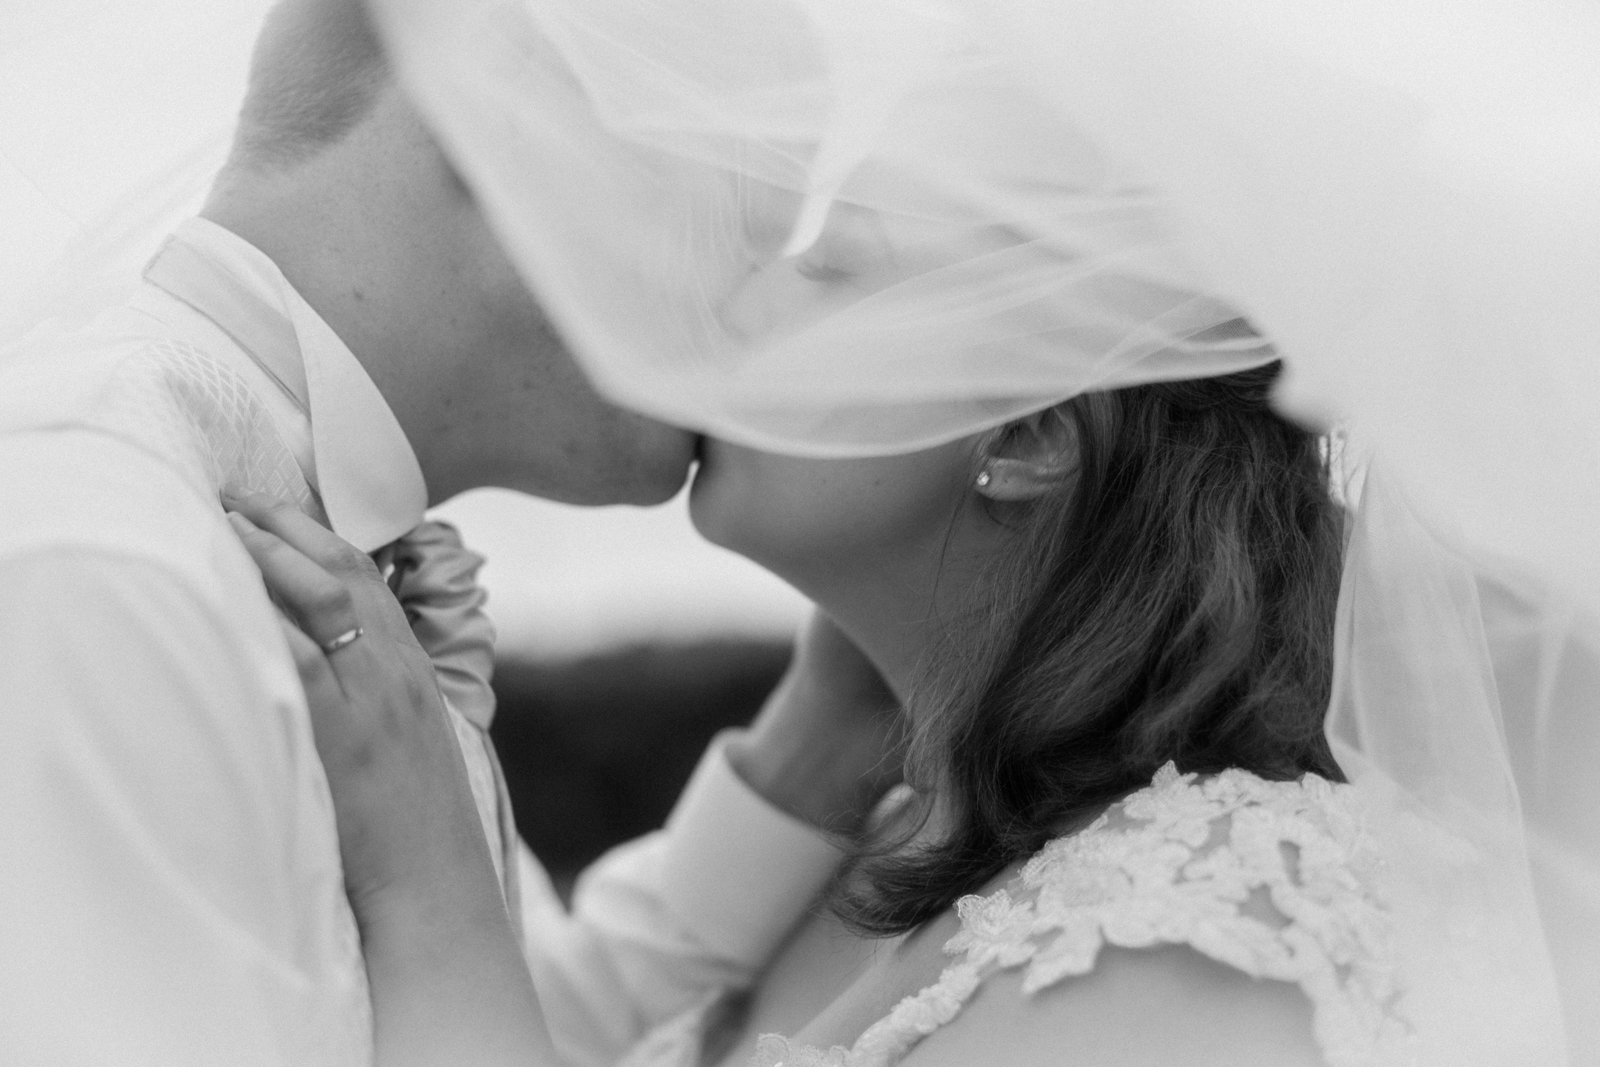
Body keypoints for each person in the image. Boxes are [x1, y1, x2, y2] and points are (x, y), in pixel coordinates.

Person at [226, 0, 1585, 1062]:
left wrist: (434, 888)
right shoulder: (892, 846)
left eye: (834, 267)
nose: (722, 309)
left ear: (1029, 433)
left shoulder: (1201, 927)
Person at [0, 1, 903, 1062]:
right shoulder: (98, 563)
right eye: (755, 216)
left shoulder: (315, 562)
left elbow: (468, 1016)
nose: (758, 309)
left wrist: (811, 745)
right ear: (513, 114)